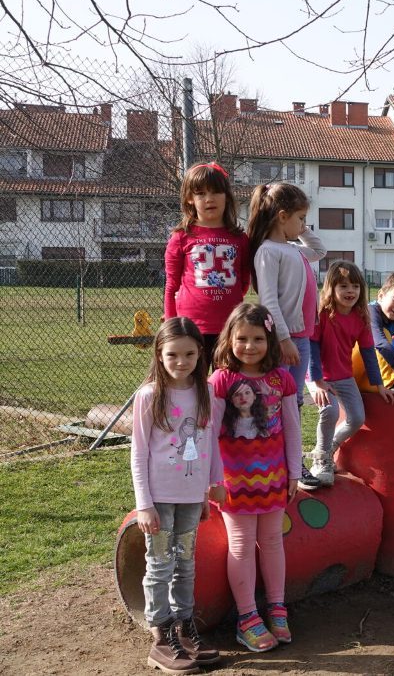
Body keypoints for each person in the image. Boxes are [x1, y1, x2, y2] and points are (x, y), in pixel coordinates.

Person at [131, 317, 225, 674]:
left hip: (190, 500)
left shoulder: (206, 392)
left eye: (189, 354)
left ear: (200, 354)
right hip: (158, 501)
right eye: (173, 354)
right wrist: (144, 504)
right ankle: (160, 633)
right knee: (159, 564)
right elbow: (138, 453)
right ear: (159, 354)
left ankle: (185, 628)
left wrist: (207, 490)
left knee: (185, 561)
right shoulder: (149, 396)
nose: (181, 362)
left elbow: (209, 445)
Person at [209, 303, 302, 652]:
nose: (249, 346)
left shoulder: (282, 379)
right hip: (235, 482)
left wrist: (295, 471)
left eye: (258, 339)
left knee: (274, 542)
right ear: (229, 339)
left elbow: (293, 429)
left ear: (270, 340)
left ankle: (277, 608)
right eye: (242, 338)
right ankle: (247, 618)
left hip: (274, 479)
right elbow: (208, 433)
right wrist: (214, 479)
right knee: (241, 545)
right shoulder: (220, 381)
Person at [307, 261, 394, 486]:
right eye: (344, 286)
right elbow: (312, 347)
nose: (350, 291)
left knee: (357, 418)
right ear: (331, 289)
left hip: (343, 376)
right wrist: (317, 381)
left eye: (355, 286)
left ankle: (326, 449)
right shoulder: (322, 314)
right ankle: (321, 461)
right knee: (329, 411)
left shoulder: (360, 318)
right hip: (319, 376)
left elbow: (369, 354)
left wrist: (379, 385)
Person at [163, 162, 250, 367]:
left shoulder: (240, 238)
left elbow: (244, 280)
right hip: (191, 328)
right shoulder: (181, 237)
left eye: (216, 192)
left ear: (226, 196)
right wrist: (171, 326)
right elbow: (171, 285)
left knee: (228, 386)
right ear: (189, 199)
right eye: (200, 193)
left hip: (230, 328)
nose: (209, 199)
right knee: (194, 388)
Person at [246, 182, 326, 400]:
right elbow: (269, 302)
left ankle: (293, 435)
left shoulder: (292, 248)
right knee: (277, 397)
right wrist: (283, 340)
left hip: (302, 338)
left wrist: (301, 226)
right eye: (300, 218)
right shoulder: (268, 251)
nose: (303, 225)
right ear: (282, 217)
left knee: (295, 398)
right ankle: (276, 435)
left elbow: (320, 250)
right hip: (285, 340)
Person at [352, 272, 394, 399]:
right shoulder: (370, 312)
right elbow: (380, 344)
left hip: (365, 376)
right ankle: (392, 383)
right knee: (384, 337)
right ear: (381, 296)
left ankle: (388, 383)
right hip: (347, 372)